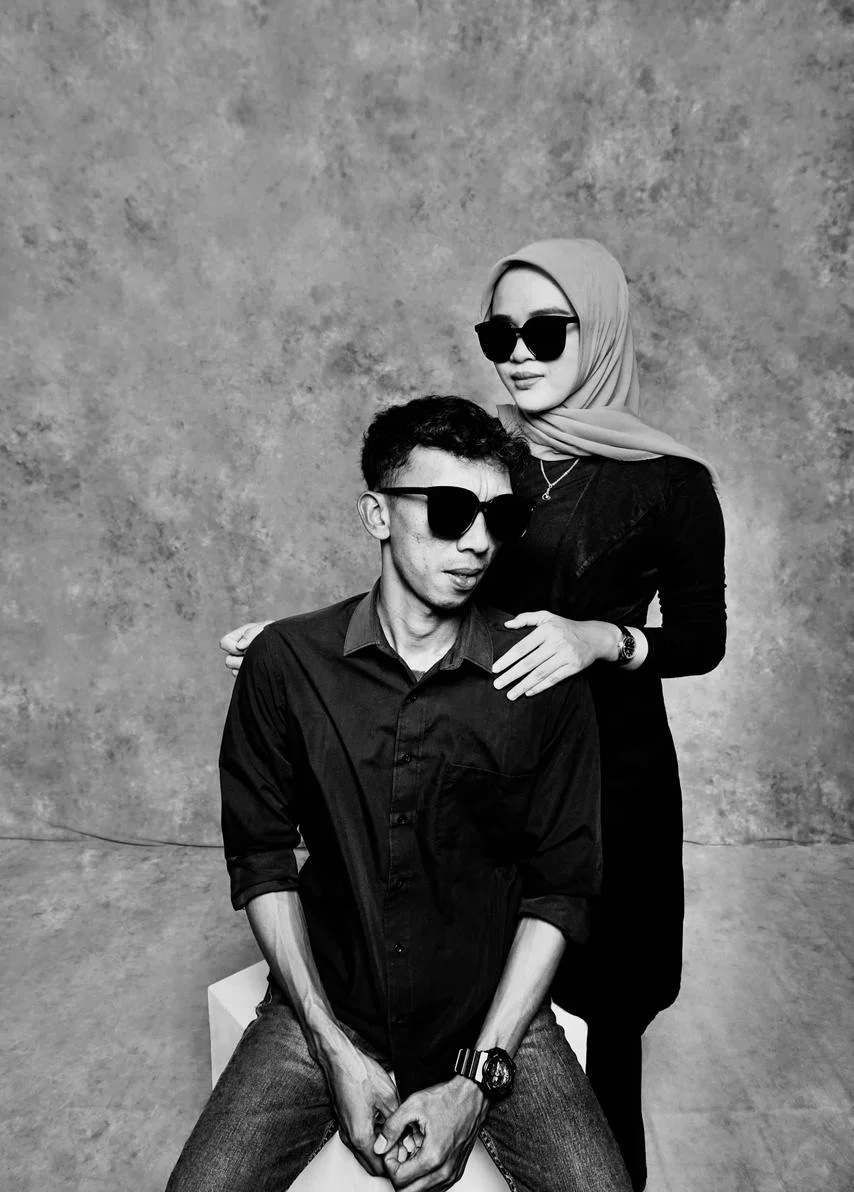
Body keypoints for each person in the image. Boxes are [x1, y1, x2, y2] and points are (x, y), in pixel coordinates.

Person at [221, 240, 727, 1191]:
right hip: (480, 754)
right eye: (500, 334)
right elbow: (425, 567)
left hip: (606, 765)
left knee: (606, 1026)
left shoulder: (670, 482)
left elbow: (702, 638)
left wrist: (601, 639)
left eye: (547, 331)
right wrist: (306, 645)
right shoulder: (493, 457)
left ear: (600, 331)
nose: (519, 354)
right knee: (464, 958)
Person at [171, 395, 631, 1192]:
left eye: (499, 517)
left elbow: (561, 888)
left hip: (494, 1019)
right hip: (327, 1005)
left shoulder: (544, 679)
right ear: (376, 515)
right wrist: (331, 1047)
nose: (479, 540)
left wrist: (478, 1079)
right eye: (450, 512)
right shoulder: (288, 663)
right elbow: (262, 857)